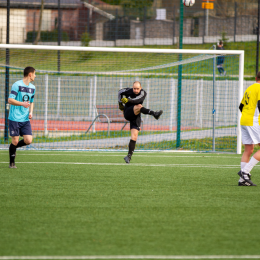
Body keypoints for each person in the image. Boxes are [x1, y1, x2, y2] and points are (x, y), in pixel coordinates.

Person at [118, 81, 163, 164]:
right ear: (132, 87)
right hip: (128, 112)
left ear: (140, 88)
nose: (135, 90)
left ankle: (128, 157)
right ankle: (154, 114)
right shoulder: (128, 91)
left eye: (137, 89)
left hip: (136, 115)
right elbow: (120, 92)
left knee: (134, 137)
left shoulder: (143, 93)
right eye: (134, 88)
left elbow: (137, 100)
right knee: (139, 106)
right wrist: (120, 104)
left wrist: (128, 100)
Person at [8, 67, 36, 168]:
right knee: (15, 140)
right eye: (34, 74)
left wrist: (31, 112)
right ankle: (12, 162)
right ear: (30, 74)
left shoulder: (33, 87)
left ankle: (13, 147)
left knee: (28, 140)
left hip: (25, 119)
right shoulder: (17, 85)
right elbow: (10, 100)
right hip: (14, 118)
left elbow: (31, 101)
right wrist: (22, 104)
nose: (35, 76)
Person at [237, 71, 260, 186]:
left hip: (244, 120)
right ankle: (245, 172)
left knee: (248, 149)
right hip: (253, 121)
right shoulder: (259, 88)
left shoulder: (249, 88)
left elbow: (241, 106)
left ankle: (242, 181)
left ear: (256, 77)